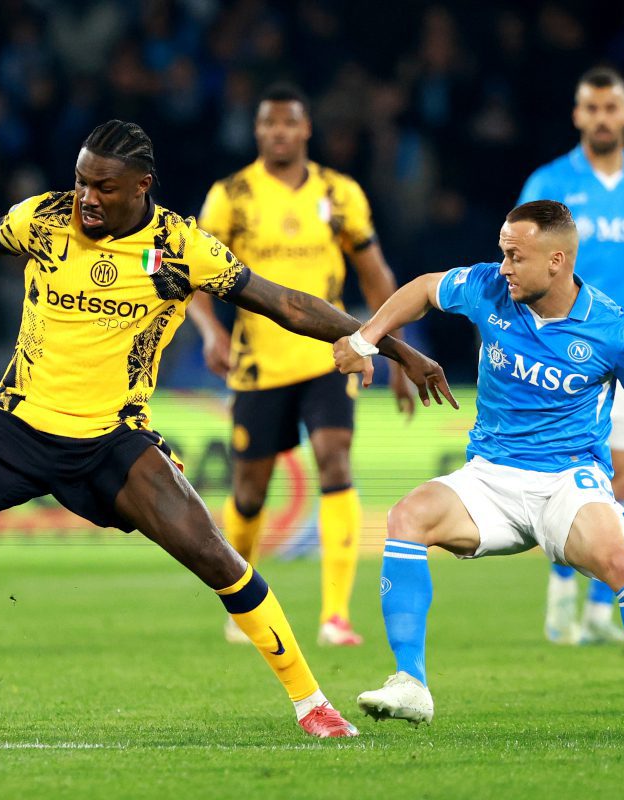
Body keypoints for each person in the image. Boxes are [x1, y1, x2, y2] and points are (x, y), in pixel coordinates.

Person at [0, 120, 456, 738]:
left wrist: (391, 346)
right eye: (82, 179)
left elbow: (287, 303)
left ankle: (312, 704)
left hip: (114, 441)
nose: (85, 196)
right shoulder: (47, 218)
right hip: (18, 424)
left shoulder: (180, 247)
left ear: (142, 186)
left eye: (102, 186)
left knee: (218, 559)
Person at [339, 200, 624, 740]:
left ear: (557, 260)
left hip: (568, 480)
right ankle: (411, 682)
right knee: (407, 517)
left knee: (618, 561)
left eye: (516, 256)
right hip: (490, 475)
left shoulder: (612, 328)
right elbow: (424, 287)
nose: (505, 266)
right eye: (503, 253)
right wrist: (365, 340)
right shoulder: (491, 287)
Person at [188, 83, 414, 647]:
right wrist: (212, 331)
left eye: (289, 124)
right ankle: (243, 607)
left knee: (335, 462)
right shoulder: (231, 195)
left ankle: (335, 615)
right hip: (258, 362)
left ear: (306, 129)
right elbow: (191, 272)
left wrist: (397, 353)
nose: (278, 133)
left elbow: (374, 272)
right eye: (268, 124)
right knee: (249, 492)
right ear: (258, 130)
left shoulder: (340, 193)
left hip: (331, 356)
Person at [518, 66, 624, 646]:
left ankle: (596, 611)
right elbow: (514, 264)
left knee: (622, 476)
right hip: (560, 352)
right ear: (577, 115)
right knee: (570, 475)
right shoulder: (549, 180)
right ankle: (561, 603)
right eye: (591, 108)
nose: (602, 118)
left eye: (611, 108)